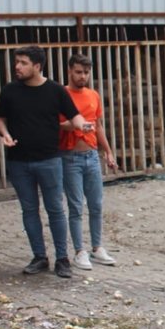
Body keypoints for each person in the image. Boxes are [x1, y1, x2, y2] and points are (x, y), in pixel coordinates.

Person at [0, 46, 90, 278]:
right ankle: (39, 256)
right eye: (17, 62)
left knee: (55, 209)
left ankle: (62, 258)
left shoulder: (55, 90)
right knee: (29, 210)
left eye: (23, 62)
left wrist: (82, 125)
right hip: (18, 161)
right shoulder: (10, 91)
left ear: (37, 66)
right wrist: (4, 134)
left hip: (49, 160)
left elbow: (73, 114)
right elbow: (0, 118)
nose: (17, 66)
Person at [59, 53, 117, 271]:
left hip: (91, 154)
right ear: (70, 71)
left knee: (96, 204)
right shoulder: (62, 94)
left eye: (86, 72)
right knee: (75, 206)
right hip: (69, 155)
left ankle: (97, 246)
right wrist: (76, 125)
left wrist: (108, 152)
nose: (82, 76)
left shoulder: (93, 95)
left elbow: (98, 125)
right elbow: (58, 123)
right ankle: (79, 250)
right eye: (78, 72)